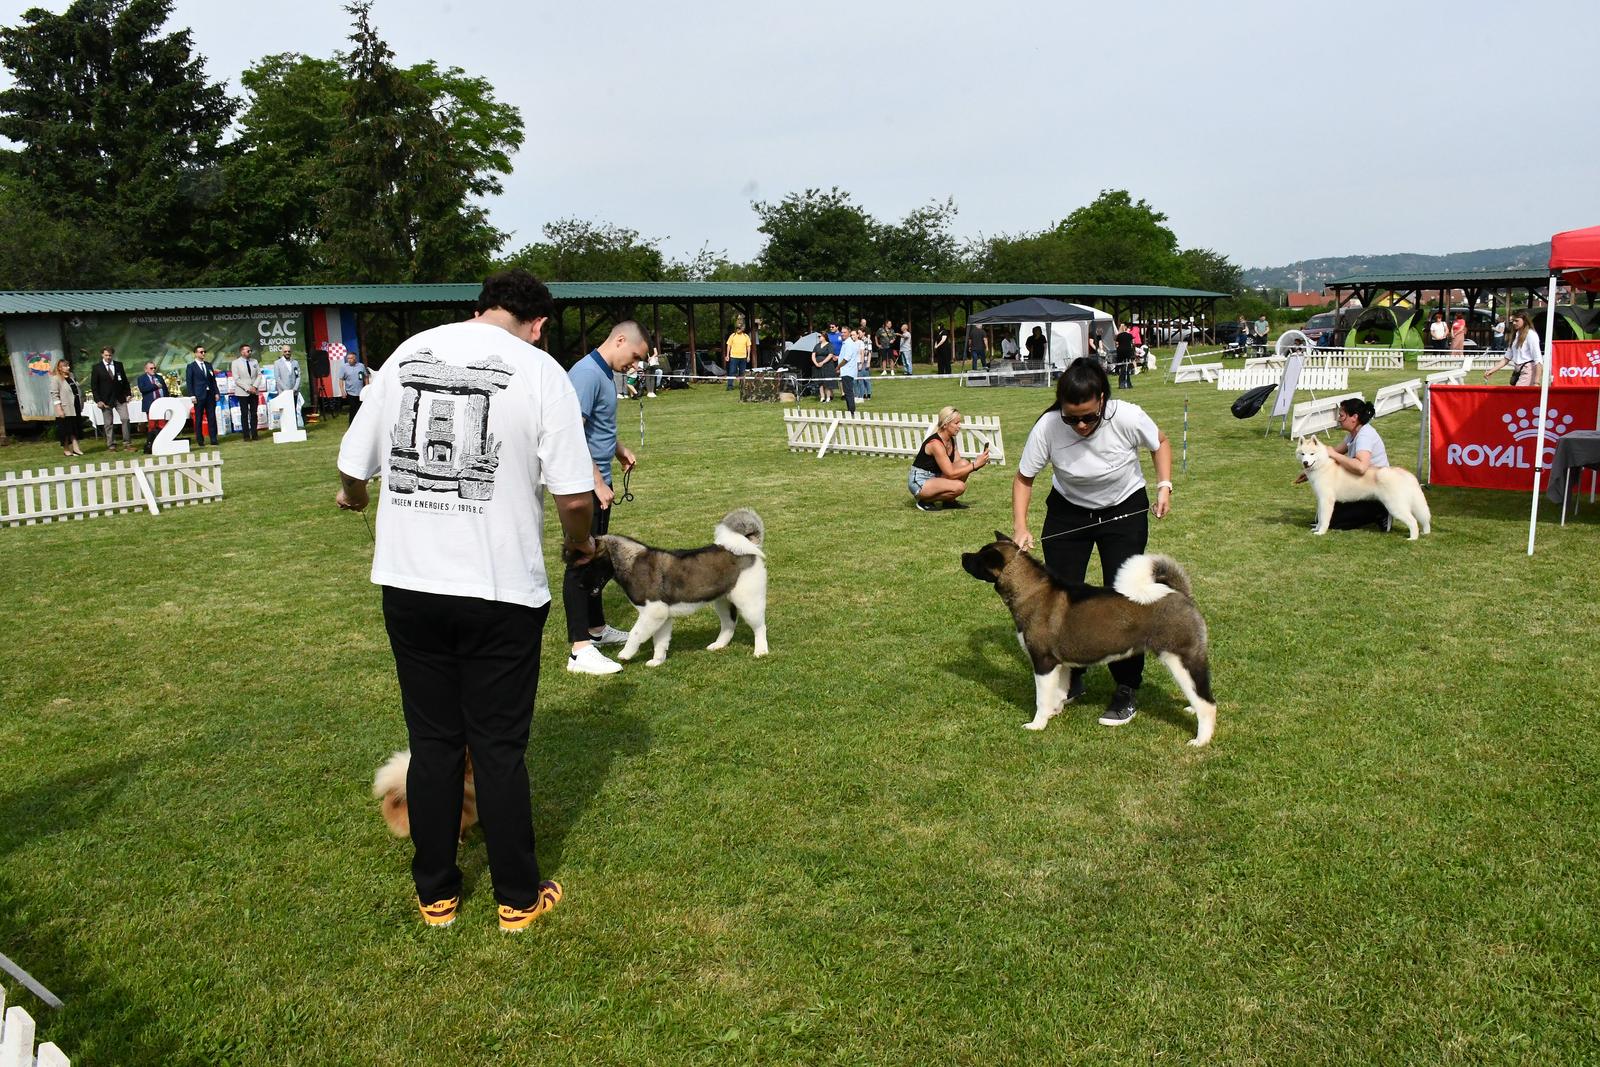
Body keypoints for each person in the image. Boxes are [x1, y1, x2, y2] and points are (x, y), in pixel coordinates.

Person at [335, 269, 594, 933]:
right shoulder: (539, 371)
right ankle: (516, 897)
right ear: (536, 323)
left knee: (435, 740)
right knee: (499, 746)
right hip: (498, 588)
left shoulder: (408, 353)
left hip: (411, 584)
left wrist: (358, 497)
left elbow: (351, 461)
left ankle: (437, 893)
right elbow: (572, 496)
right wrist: (579, 544)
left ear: (481, 307)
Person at [1011, 357, 1173, 728]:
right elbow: (1024, 478)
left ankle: (1127, 687)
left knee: (1124, 598)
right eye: (1072, 418)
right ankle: (1070, 679)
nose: (1081, 425)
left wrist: (1164, 485)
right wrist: (1020, 526)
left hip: (1123, 509)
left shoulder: (1128, 416)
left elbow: (1159, 442)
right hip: (1069, 512)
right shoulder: (1049, 427)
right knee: (1061, 600)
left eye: (1088, 417)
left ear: (1101, 400)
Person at [565, 321, 649, 676]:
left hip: (599, 481)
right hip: (584, 485)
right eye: (634, 357)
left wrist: (617, 449)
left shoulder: (603, 374)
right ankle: (579, 649)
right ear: (619, 340)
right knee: (580, 558)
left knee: (598, 558)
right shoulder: (584, 374)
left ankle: (596, 631)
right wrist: (597, 481)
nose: (634, 366)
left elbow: (596, 427)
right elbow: (570, 434)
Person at [1295, 398, 1391, 531]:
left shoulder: (1365, 436)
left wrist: (1334, 455)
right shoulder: (1353, 434)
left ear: (1354, 417)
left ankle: (1380, 510)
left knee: (1335, 521)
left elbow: (1361, 467)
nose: (1338, 419)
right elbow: (1331, 452)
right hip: (1358, 483)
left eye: (1341, 415)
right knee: (1325, 514)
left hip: (1374, 486)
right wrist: (1310, 469)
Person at [909, 406, 990, 511]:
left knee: (964, 463)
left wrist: (977, 464)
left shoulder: (951, 440)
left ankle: (948, 501)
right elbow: (951, 473)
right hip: (920, 481)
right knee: (959, 487)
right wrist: (974, 465)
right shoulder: (935, 444)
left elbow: (959, 466)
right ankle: (924, 501)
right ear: (945, 424)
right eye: (956, 423)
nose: (959, 426)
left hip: (935, 476)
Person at [89, 346, 134, 451]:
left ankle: (127, 443)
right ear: (102, 355)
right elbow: (94, 386)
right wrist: (98, 400)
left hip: (120, 398)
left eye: (110, 355)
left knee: (125, 419)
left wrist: (128, 393)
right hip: (105, 400)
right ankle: (111, 445)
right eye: (106, 355)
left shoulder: (119, 365)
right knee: (108, 423)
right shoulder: (97, 368)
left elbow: (125, 381)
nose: (108, 357)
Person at [1484, 311, 1541, 386]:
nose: (1514, 323)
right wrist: (1491, 371)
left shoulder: (1531, 335)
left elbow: (1538, 360)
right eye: (1513, 321)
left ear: (1525, 321)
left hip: (1528, 369)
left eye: (1516, 321)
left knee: (1517, 395)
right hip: (1518, 370)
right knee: (1516, 395)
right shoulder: (1515, 335)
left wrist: (1536, 382)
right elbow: (1506, 359)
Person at [185, 345, 221, 446]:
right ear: (196, 354)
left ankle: (213, 438)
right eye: (201, 352)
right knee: (199, 418)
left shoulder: (208, 365)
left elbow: (213, 380)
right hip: (198, 395)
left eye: (204, 352)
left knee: (212, 417)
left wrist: (216, 392)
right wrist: (192, 395)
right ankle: (200, 440)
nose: (203, 354)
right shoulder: (191, 366)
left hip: (210, 395)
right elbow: (189, 382)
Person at [49, 358, 84, 457]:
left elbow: (76, 389)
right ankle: (66, 449)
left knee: (74, 428)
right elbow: (54, 394)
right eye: (65, 366)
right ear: (60, 368)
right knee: (66, 430)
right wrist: (59, 408)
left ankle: (76, 448)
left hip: (74, 406)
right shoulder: (56, 379)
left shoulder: (71, 376)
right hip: (65, 408)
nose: (68, 367)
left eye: (68, 365)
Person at [230, 343, 264, 441]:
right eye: (247, 351)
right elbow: (236, 379)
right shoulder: (235, 363)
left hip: (254, 391)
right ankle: (246, 435)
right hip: (242, 392)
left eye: (250, 350)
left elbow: (259, 374)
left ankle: (255, 434)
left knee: (254, 413)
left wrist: (254, 386)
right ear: (242, 352)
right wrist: (248, 388)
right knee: (244, 414)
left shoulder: (254, 361)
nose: (250, 352)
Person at [136, 360, 168, 453]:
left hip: (161, 404)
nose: (153, 369)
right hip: (151, 405)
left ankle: (163, 443)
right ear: (146, 370)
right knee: (152, 424)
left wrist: (167, 400)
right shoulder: (142, 378)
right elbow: (143, 389)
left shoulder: (159, 377)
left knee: (162, 424)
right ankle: (151, 443)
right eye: (151, 368)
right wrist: (155, 386)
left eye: (154, 368)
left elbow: (165, 389)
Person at [273, 345, 303, 429]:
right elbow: (277, 378)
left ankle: (294, 428)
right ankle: (286, 428)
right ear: (282, 352)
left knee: (293, 410)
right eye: (285, 351)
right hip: (283, 392)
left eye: (289, 351)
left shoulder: (295, 362)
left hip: (294, 392)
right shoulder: (277, 363)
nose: (287, 353)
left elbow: (298, 376)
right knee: (285, 411)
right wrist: (287, 390)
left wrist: (295, 388)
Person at [837, 328, 863, 414]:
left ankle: (851, 411)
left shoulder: (848, 344)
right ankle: (850, 410)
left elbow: (846, 358)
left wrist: (838, 367)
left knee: (848, 392)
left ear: (849, 333)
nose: (842, 334)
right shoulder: (846, 343)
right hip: (846, 371)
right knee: (847, 392)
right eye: (842, 332)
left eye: (845, 332)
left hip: (848, 371)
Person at [338, 350, 369, 420]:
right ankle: (351, 424)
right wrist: (342, 391)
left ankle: (361, 423)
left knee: (361, 409)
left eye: (351, 358)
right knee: (353, 409)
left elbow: (366, 377)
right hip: (350, 392)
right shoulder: (344, 367)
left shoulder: (361, 366)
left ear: (355, 358)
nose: (349, 360)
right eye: (348, 358)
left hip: (360, 392)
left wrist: (367, 388)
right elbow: (340, 380)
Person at [725, 320, 751, 391]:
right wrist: (727, 355)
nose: (737, 329)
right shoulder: (732, 336)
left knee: (742, 373)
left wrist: (748, 356)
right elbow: (728, 346)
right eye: (737, 328)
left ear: (743, 328)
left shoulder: (746, 336)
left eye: (739, 328)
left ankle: (742, 386)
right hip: (733, 357)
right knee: (732, 371)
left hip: (743, 357)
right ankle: (730, 386)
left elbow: (748, 346)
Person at [811, 333, 837, 403]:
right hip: (817, 366)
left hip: (827, 365)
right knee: (820, 382)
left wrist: (823, 362)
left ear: (824, 337)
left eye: (820, 336)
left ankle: (828, 397)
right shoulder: (817, 346)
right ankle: (822, 397)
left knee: (827, 382)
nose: (819, 338)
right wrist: (816, 363)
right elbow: (813, 355)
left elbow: (830, 355)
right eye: (819, 337)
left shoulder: (829, 345)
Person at [1114, 324, 1135, 389]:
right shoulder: (1129, 335)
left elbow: (1116, 342)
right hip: (1128, 351)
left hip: (1120, 351)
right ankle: (1127, 377)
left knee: (1120, 364)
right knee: (1126, 365)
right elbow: (1133, 342)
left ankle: (1117, 371)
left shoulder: (1119, 335)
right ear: (1126, 329)